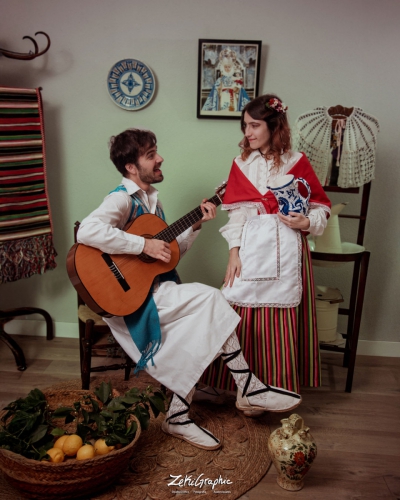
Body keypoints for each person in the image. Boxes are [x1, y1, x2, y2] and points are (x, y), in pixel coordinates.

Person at [77, 128, 302, 450]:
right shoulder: (121, 198)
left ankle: (180, 414)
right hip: (133, 302)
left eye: (157, 151)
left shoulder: (152, 201)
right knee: (212, 298)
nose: (160, 158)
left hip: (153, 289)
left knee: (204, 315)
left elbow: (166, 257)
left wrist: (196, 224)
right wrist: (145, 244)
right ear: (130, 166)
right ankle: (247, 385)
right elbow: (88, 230)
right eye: (151, 154)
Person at [199, 95, 331, 412]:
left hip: (288, 250)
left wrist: (306, 221)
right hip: (251, 246)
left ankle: (276, 389)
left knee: (280, 317)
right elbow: (237, 215)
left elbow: (321, 209)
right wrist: (234, 252)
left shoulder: (297, 162)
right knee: (238, 312)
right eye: (245, 126)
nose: (248, 132)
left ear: (274, 126)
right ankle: (239, 386)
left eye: (254, 125)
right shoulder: (241, 165)